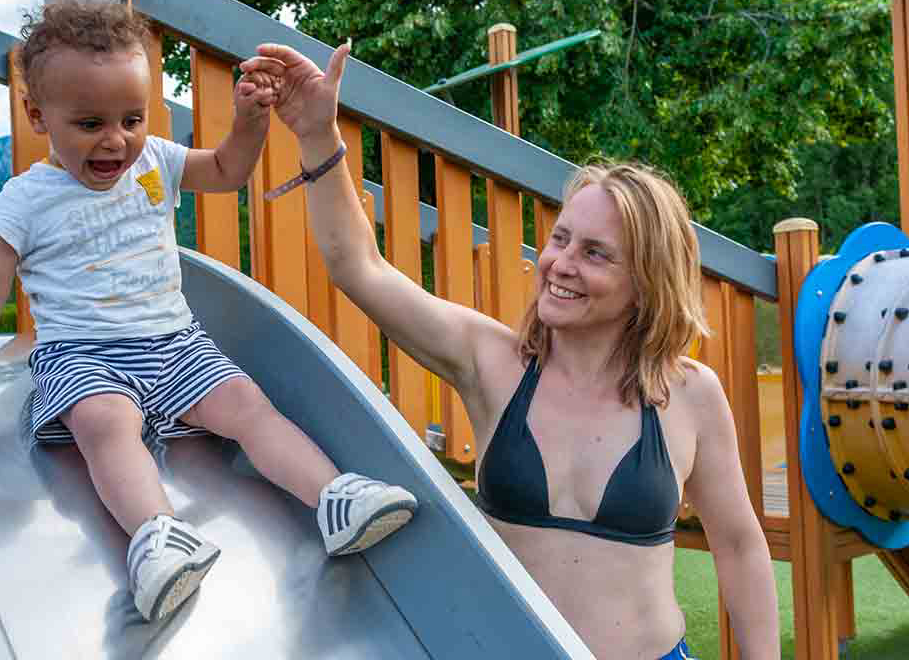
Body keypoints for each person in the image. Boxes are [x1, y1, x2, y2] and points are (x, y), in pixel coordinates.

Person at [241, 41, 779, 660]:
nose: (560, 265)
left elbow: (739, 545)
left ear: (646, 282)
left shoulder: (688, 395)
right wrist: (317, 135)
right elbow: (358, 267)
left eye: (595, 253)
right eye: (561, 239)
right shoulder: (489, 361)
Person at [0, 0, 417, 624]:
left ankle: (333, 497)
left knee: (248, 406)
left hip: (176, 343)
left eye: (132, 117)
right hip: (81, 356)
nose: (115, 139)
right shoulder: (27, 197)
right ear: (37, 116)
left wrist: (251, 118)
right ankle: (158, 536)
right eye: (90, 122)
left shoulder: (155, 161)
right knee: (106, 425)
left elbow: (230, 170)